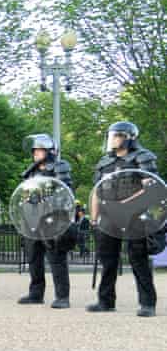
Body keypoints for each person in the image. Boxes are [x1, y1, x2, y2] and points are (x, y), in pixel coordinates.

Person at [87, 122, 159, 317]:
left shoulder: (142, 158)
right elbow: (96, 191)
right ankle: (105, 301)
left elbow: (151, 189)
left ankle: (147, 304)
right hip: (108, 217)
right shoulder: (104, 162)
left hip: (135, 217)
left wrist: (124, 205)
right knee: (108, 260)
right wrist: (94, 219)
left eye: (116, 136)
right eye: (111, 136)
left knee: (138, 259)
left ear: (129, 138)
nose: (112, 140)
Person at [17, 134, 75, 309]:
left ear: (49, 152)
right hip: (33, 219)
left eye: (39, 150)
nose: (35, 153)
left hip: (53, 219)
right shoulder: (32, 171)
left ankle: (62, 296)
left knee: (56, 258)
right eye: (34, 150)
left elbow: (64, 190)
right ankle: (36, 294)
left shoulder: (60, 167)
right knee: (33, 258)